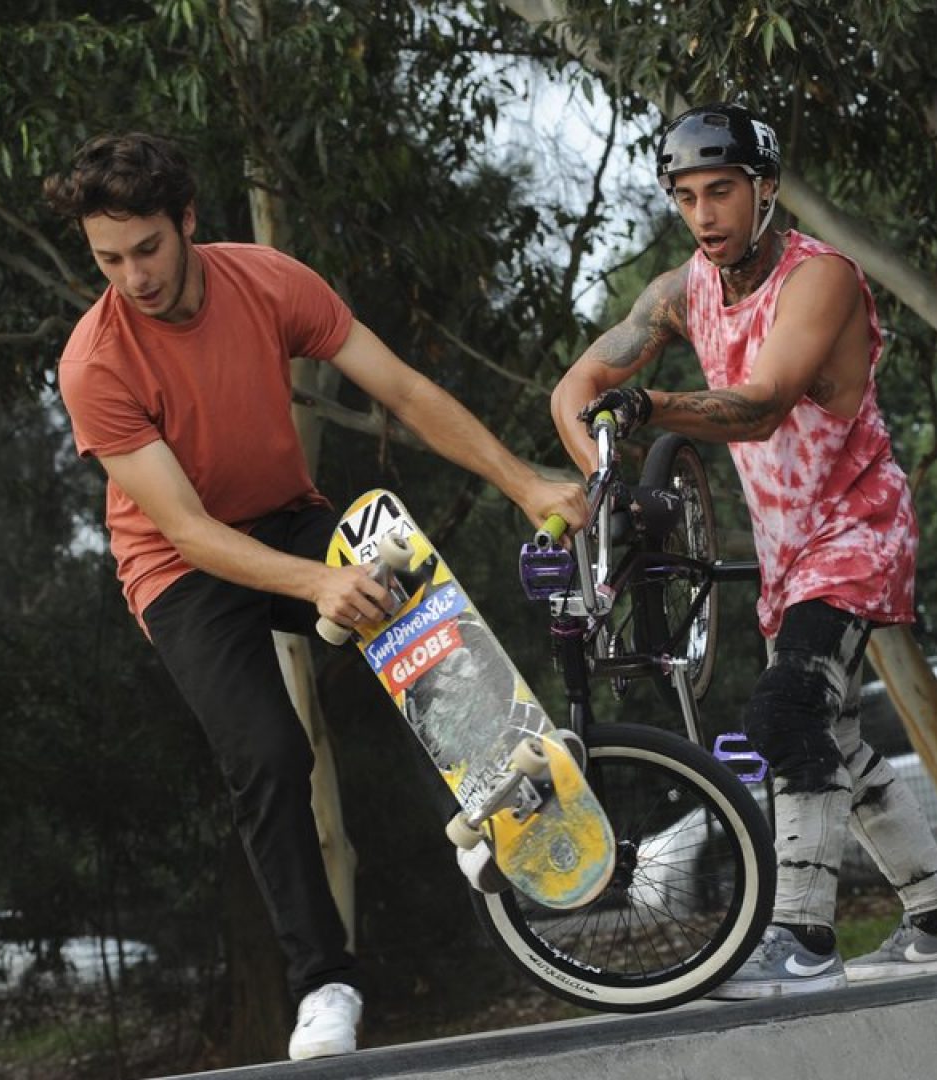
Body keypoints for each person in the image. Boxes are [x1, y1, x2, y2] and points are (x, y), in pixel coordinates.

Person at [43, 133, 586, 1059]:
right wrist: (322, 584)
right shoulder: (94, 363)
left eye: (147, 250)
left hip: (287, 515)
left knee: (406, 581)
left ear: (187, 222)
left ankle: (494, 800)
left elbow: (405, 393)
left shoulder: (269, 282)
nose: (131, 277)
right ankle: (325, 985)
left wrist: (526, 483)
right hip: (182, 572)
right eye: (107, 260)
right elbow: (187, 531)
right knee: (269, 751)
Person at [550, 103, 937, 997]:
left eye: (722, 191)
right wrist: (604, 479)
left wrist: (650, 409)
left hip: (859, 532)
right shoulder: (681, 291)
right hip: (791, 552)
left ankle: (801, 940)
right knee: (827, 737)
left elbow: (762, 403)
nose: (705, 214)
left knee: (783, 715)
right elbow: (580, 383)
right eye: (686, 197)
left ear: (765, 189)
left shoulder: (818, 280)